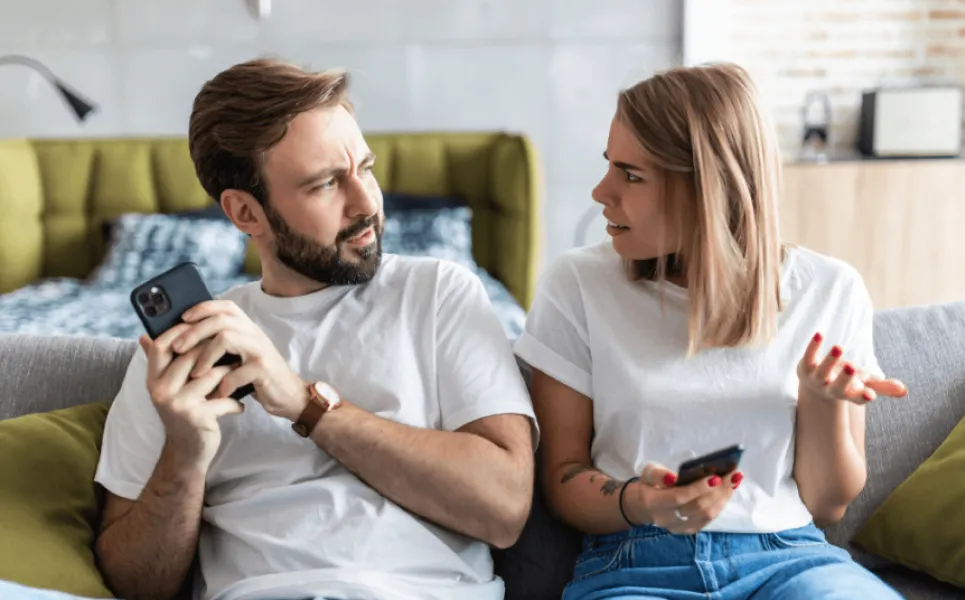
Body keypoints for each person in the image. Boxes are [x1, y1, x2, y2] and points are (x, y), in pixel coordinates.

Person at [0, 58, 536, 600]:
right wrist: (186, 453)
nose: (366, 203)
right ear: (245, 213)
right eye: (326, 184)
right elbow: (136, 586)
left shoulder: (440, 294)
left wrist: (307, 406)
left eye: (365, 169)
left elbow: (506, 509)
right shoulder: (181, 352)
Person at [514, 62, 908, 600]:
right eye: (610, 166)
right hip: (634, 566)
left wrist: (822, 402)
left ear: (708, 187)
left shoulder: (830, 289)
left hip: (790, 560)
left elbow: (828, 503)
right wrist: (641, 501)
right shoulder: (576, 284)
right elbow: (561, 478)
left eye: (631, 175)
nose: (601, 191)